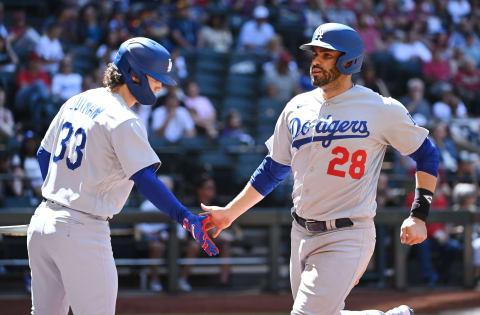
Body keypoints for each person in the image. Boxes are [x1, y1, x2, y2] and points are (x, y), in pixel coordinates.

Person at [203, 23, 439, 315]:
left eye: (326, 55)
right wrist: (230, 213)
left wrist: (419, 214)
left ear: (349, 60)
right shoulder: (296, 107)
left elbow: (427, 155)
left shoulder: (380, 108)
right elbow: (273, 168)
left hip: (348, 233)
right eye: (314, 54)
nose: (315, 61)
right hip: (300, 231)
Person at [27, 37, 218, 315]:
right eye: (156, 77)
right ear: (134, 75)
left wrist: (59, 195)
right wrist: (184, 217)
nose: (161, 85)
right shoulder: (123, 119)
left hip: (43, 222)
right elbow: (145, 179)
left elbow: (43, 155)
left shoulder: (78, 100)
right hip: (82, 229)